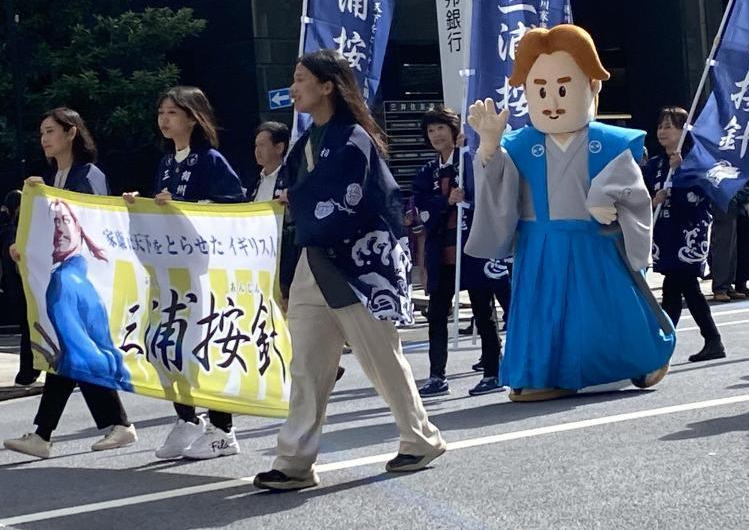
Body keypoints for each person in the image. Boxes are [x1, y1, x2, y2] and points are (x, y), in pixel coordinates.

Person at [253, 49, 445, 491]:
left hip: (357, 268)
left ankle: (420, 438)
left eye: (301, 79)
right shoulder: (305, 143)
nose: (294, 87)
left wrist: (296, 202)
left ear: (327, 86)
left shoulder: (354, 137)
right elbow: (298, 201)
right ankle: (295, 461)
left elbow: (352, 195)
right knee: (306, 366)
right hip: (312, 264)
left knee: (382, 360)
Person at [465, 24, 676, 401]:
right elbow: (498, 187)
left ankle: (645, 359)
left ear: (592, 86)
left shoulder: (609, 141)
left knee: (608, 310)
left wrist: (604, 195)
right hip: (539, 244)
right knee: (542, 313)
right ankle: (540, 374)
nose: (552, 100)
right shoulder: (519, 144)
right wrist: (489, 151)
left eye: (563, 88)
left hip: (593, 243)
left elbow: (631, 187)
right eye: (540, 89)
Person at [3, 108, 135, 460]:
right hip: (62, 272)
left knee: (71, 348)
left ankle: (93, 428)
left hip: (78, 273)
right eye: (42, 133)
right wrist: (24, 248)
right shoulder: (52, 177)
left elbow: (87, 222)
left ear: (71, 133)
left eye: (50, 131)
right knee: (68, 353)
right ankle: (63, 431)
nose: (44, 138)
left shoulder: (87, 175)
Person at [123, 86, 246, 460]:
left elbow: (234, 205)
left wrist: (188, 205)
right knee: (165, 345)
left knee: (202, 346)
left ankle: (223, 428)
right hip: (170, 273)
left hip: (203, 274)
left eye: (172, 112)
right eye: (161, 112)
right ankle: (187, 417)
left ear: (193, 117)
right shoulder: (166, 163)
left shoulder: (210, 160)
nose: (164, 119)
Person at [412, 106, 508, 397]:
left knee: (483, 310)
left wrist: (464, 196)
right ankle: (436, 375)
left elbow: (490, 194)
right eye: (430, 131)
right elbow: (422, 208)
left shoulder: (470, 163)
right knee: (438, 314)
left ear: (453, 131)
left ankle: (494, 370)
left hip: (473, 248)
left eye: (441, 128)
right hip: (442, 254)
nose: (436, 135)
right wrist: (446, 202)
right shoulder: (428, 171)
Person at [643, 106, 725, 362]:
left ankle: (664, 344)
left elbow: (699, 199)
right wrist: (652, 202)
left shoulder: (695, 162)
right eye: (660, 126)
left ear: (683, 131)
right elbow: (640, 194)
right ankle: (711, 340)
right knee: (685, 289)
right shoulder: (655, 164)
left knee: (677, 287)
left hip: (689, 234)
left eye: (669, 126)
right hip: (665, 234)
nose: (662, 132)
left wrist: (679, 176)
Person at [1, 189, 40, 386]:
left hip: (14, 291)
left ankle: (28, 372)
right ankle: (27, 373)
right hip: (25, 289)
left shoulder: (7, 231)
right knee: (31, 331)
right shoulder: (18, 232)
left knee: (29, 331)